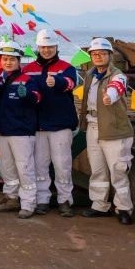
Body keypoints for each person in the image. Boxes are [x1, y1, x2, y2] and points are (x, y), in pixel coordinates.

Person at [78, 37, 134, 225]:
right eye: (95, 54)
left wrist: (109, 97)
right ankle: (99, 205)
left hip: (113, 130)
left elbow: (116, 88)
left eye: (102, 53)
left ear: (110, 55)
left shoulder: (118, 75)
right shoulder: (90, 75)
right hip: (93, 126)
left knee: (118, 171)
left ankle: (123, 208)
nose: (98, 57)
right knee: (98, 170)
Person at [31, 28, 78, 217]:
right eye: (43, 47)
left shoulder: (67, 67)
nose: (46, 50)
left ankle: (65, 200)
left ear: (56, 47)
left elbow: (70, 83)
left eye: (50, 46)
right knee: (40, 165)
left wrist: (57, 82)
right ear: (38, 47)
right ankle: (42, 200)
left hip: (60, 125)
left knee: (62, 165)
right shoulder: (29, 69)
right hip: (38, 126)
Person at [0, 40, 40, 219]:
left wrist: (27, 94)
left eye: (12, 59)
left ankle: (28, 203)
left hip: (22, 132)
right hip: (3, 131)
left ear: (19, 61)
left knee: (25, 168)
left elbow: (37, 97)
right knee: (7, 168)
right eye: (5, 59)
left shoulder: (27, 79)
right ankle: (11, 198)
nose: (8, 62)